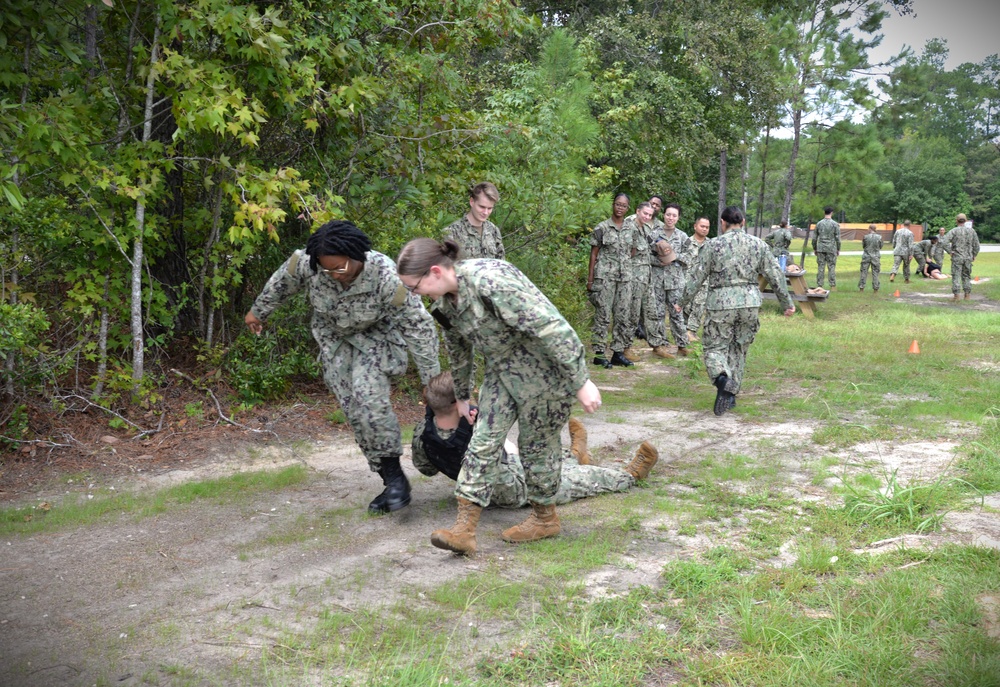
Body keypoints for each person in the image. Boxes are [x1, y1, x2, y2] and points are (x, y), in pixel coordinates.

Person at [397, 239, 602, 555]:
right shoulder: (443, 304)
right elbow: (458, 348)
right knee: (482, 441)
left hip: (544, 371)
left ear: (434, 272)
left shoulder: (490, 280)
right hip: (502, 373)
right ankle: (464, 530)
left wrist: (581, 381)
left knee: (536, 448)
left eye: (415, 287)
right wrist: (463, 396)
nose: (415, 294)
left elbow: (550, 326)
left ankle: (545, 517)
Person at [245, 220, 440, 515]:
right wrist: (258, 311)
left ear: (357, 256)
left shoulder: (387, 277)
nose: (333, 275)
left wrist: (433, 381)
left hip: (377, 340)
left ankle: (397, 480)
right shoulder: (309, 264)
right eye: (327, 270)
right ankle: (390, 478)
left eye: (340, 268)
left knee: (370, 402)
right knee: (354, 412)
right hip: (335, 342)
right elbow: (281, 282)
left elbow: (419, 327)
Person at [411, 371, 658, 510]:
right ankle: (629, 476)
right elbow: (510, 450)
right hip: (513, 490)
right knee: (573, 481)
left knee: (544, 460)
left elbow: (427, 469)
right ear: (456, 402)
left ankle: (574, 456)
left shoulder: (423, 432)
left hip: (489, 484)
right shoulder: (479, 428)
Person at [678, 206, 794, 416]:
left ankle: (723, 379)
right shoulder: (758, 244)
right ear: (743, 222)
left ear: (723, 223)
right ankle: (731, 396)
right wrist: (787, 303)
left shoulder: (713, 245)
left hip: (721, 303)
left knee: (714, 347)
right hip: (749, 303)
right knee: (739, 348)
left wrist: (681, 301)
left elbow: (696, 276)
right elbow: (775, 274)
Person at [588, 194, 635, 369]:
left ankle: (617, 352)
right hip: (605, 277)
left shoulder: (632, 228)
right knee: (603, 315)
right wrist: (590, 279)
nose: (620, 208)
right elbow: (593, 254)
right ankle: (599, 354)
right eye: (617, 204)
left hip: (624, 278)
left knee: (623, 315)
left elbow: (634, 249)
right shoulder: (602, 228)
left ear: (627, 208)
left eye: (623, 205)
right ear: (613, 205)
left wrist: (623, 263)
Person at [646, 203, 692, 359]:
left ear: (678, 218)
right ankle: (659, 346)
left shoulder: (683, 236)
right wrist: (660, 261)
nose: (671, 218)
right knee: (657, 313)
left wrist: (673, 257)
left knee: (677, 313)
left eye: (674, 215)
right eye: (668, 214)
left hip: (675, 281)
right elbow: (646, 256)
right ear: (663, 215)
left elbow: (689, 257)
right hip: (657, 280)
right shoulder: (653, 234)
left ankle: (682, 345)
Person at [622, 202, 655, 362]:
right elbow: (626, 253)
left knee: (649, 311)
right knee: (632, 314)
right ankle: (626, 348)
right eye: (645, 214)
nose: (647, 217)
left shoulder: (646, 228)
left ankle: (656, 344)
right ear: (637, 211)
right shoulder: (630, 227)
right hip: (634, 277)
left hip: (645, 276)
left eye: (650, 215)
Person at [443, 182, 505, 259]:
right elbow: (445, 267)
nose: (485, 212)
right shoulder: (452, 232)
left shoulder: (493, 231)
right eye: (482, 207)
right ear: (472, 202)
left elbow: (501, 263)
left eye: (489, 208)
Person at [683, 217, 712, 343]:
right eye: (702, 226)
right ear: (695, 226)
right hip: (687, 280)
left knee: (699, 306)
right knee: (686, 306)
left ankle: (691, 330)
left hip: (704, 282)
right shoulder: (686, 242)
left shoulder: (711, 244)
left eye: (707, 227)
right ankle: (683, 329)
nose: (705, 229)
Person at [942, 212, 981, 301]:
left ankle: (956, 296)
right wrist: (974, 254)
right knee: (966, 276)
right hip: (968, 257)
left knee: (956, 276)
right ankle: (967, 295)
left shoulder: (954, 231)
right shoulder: (972, 231)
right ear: (966, 220)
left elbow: (944, 242)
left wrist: (950, 252)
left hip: (957, 257)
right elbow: (977, 245)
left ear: (957, 221)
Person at [811, 206, 841, 288]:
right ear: (831, 213)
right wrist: (838, 248)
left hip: (820, 248)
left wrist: (815, 248)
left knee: (821, 266)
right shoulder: (835, 224)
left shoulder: (819, 224)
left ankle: (820, 285)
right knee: (831, 267)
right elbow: (838, 238)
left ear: (824, 213)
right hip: (831, 248)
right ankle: (832, 285)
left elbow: (814, 238)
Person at [858, 224, 883, 292]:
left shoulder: (865, 237)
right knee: (875, 272)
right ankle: (876, 288)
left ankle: (861, 288)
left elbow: (864, 246)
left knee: (864, 272)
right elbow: (880, 246)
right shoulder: (879, 237)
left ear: (870, 229)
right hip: (875, 257)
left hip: (866, 256)